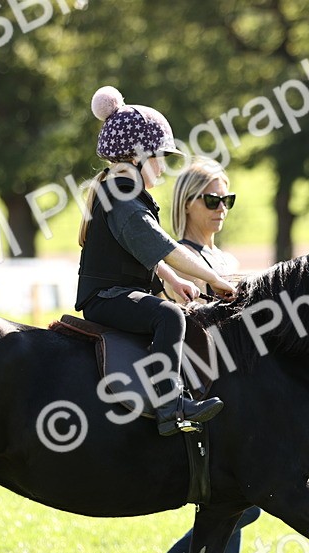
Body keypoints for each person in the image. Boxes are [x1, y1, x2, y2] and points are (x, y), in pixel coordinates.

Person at [125, 159, 269, 553]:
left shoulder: (225, 261)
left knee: (239, 501)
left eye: (227, 200)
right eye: (212, 200)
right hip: (196, 387)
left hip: (231, 388)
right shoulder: (175, 259)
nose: (221, 209)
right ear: (185, 203)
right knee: (239, 500)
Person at [76, 86, 236, 435]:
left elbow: (146, 252)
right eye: (159, 156)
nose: (163, 166)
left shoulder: (124, 192)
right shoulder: (123, 197)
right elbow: (165, 247)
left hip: (116, 293)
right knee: (168, 315)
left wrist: (171, 280)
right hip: (106, 298)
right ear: (137, 157)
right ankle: (169, 405)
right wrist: (213, 278)